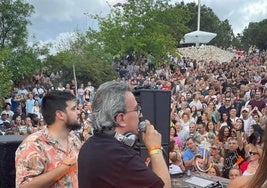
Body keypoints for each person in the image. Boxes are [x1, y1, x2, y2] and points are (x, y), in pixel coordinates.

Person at [78, 81, 171, 188]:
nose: (141, 114)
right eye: (137, 110)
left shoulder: (88, 145)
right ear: (121, 118)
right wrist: (155, 150)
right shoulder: (121, 157)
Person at [15, 91, 82, 188]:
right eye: (74, 109)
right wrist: (62, 169)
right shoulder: (33, 145)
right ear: (60, 115)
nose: (79, 112)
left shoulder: (74, 140)